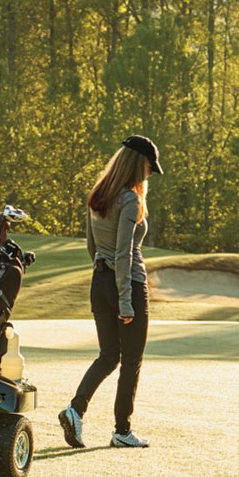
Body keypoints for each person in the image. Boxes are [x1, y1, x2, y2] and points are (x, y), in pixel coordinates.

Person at [58, 135, 162, 448]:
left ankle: (75, 410)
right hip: (126, 283)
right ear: (137, 163)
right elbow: (123, 253)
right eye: (148, 166)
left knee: (108, 356)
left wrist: (103, 280)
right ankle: (122, 431)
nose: (149, 173)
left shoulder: (98, 195)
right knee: (131, 361)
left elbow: (92, 246)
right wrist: (126, 302)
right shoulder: (130, 200)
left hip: (99, 282)